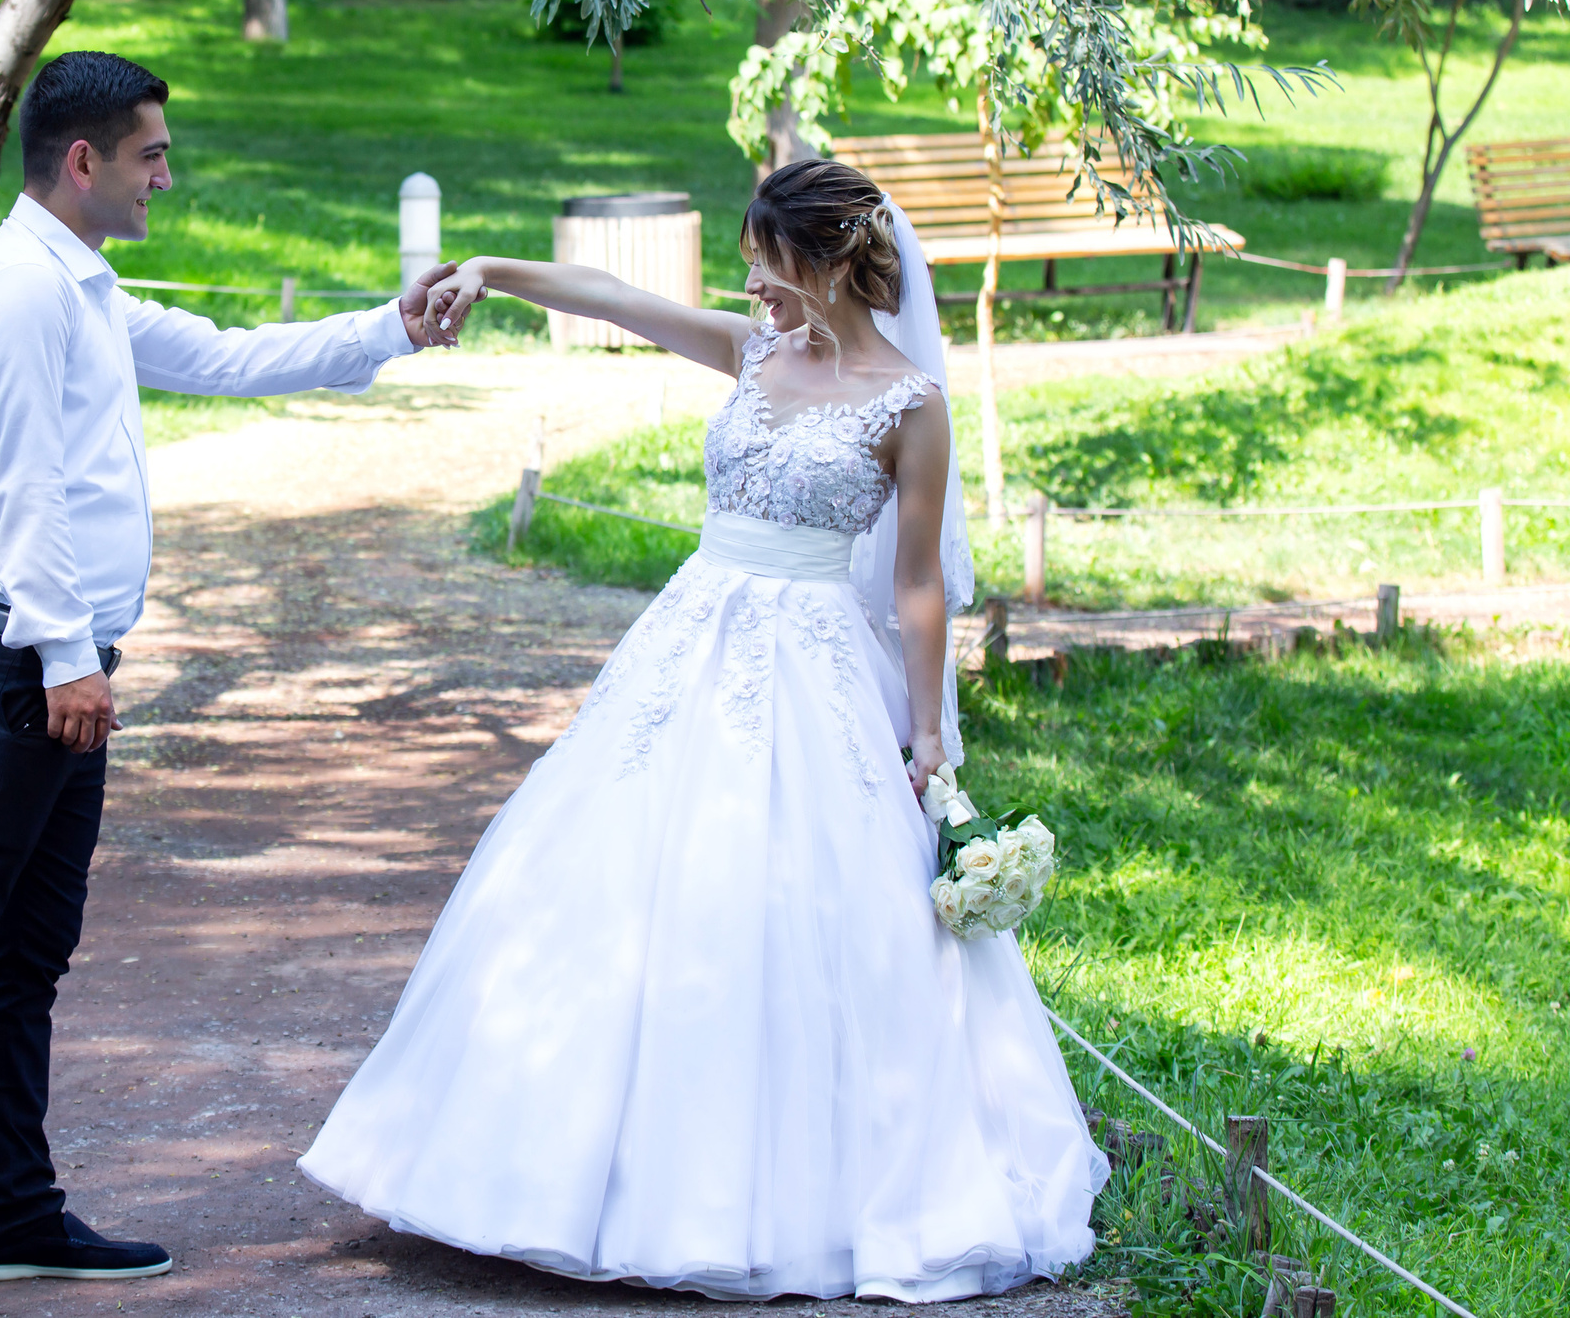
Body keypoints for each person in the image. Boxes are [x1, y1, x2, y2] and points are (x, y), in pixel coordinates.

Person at [0, 50, 465, 1317]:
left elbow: (222, 356)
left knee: (25, 954)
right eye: (152, 154)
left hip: (58, 665)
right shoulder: (16, 297)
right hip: (18, 668)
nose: (167, 173)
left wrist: (392, 327)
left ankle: (15, 1213)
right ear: (82, 161)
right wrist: (65, 660)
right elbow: (25, 493)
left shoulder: (83, 283)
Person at [297, 160, 1107, 1302]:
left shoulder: (910, 405)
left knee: (792, 905)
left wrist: (928, 735)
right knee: (607, 877)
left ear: (829, 263)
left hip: (815, 664)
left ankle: (773, 1197)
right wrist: (489, 269)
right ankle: (542, 1169)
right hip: (685, 645)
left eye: (768, 266)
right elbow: (603, 296)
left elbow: (918, 586)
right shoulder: (749, 350)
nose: (752, 286)